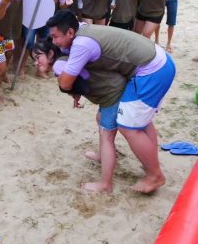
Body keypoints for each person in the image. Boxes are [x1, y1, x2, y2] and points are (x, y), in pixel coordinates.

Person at [48, 10, 175, 193]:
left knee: (129, 126)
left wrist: (58, 69)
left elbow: (66, 83)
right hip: (158, 60)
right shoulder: (82, 29)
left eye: (55, 37)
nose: (54, 42)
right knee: (140, 121)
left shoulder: (82, 44)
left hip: (152, 70)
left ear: (70, 32)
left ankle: (155, 175)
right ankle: (149, 164)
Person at [33, 38, 130, 193]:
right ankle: (102, 156)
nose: (35, 62)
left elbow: (81, 80)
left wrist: (72, 90)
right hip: (110, 90)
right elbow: (80, 77)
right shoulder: (65, 60)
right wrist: (75, 94)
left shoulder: (59, 65)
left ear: (50, 54)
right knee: (100, 120)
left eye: (38, 57)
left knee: (107, 135)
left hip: (111, 93)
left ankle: (106, 184)